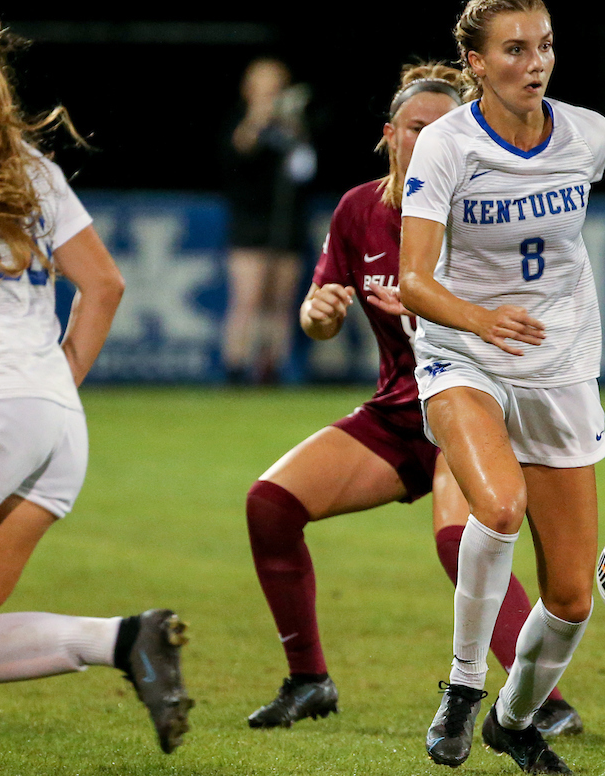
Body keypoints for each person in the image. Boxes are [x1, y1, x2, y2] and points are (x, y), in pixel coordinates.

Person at [244, 60, 583, 739]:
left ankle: (538, 702)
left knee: (461, 540)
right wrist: (320, 310)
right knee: (271, 505)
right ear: (389, 136)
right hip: (402, 411)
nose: (428, 140)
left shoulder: (492, 214)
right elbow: (317, 317)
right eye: (414, 129)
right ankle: (309, 680)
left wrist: (439, 308)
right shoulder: (357, 211)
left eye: (443, 129)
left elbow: (531, 324)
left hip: (473, 403)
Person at [0, 0, 192, 754]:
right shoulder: (25, 164)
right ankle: (123, 641)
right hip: (50, 419)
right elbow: (105, 286)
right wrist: (50, 389)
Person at [398, 0, 605, 773]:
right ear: (475, 62)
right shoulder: (447, 145)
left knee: (570, 598)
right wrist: (479, 319)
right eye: (515, 49)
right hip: (464, 355)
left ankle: (514, 720)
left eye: (546, 45)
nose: (536, 63)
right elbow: (413, 280)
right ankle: (461, 687)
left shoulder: (589, 137)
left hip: (559, 369)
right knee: (496, 503)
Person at [221, 56, 317, 385]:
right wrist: (260, 116)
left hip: (286, 223)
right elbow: (238, 153)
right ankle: (235, 368)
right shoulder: (242, 122)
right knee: (247, 298)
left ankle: (270, 368)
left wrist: (292, 123)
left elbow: (306, 168)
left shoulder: (292, 126)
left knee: (280, 300)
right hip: (249, 223)